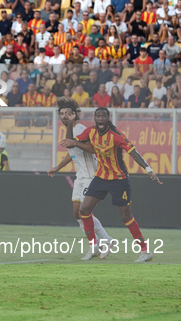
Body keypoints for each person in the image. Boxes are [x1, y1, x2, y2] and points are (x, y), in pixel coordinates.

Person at [60, 107, 162, 262]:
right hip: (100, 177)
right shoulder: (90, 132)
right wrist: (70, 122)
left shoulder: (116, 135)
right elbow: (69, 144)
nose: (101, 118)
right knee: (84, 210)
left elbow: (133, 152)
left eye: (103, 116)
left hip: (119, 179)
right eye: (98, 116)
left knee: (126, 216)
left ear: (108, 118)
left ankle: (145, 251)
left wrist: (148, 169)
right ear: (95, 118)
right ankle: (94, 246)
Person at [48, 99, 114, 260]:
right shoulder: (71, 130)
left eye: (68, 113)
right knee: (77, 214)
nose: (64, 116)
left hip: (91, 176)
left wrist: (75, 141)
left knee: (85, 212)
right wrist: (58, 167)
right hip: (80, 177)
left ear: (74, 114)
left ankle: (101, 243)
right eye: (62, 113)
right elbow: (72, 153)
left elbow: (92, 148)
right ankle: (100, 242)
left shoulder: (80, 129)